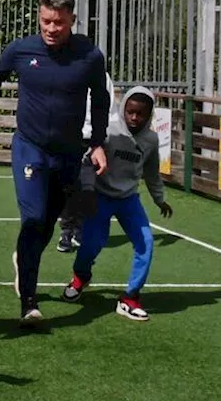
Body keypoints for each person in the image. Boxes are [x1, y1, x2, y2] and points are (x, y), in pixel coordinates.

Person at [0, 0, 110, 326]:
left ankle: (24, 257)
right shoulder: (22, 49)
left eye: (58, 22)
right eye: (45, 21)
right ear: (39, 17)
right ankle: (29, 303)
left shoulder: (89, 55)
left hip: (69, 154)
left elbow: (101, 100)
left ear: (72, 19)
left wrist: (99, 142)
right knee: (32, 219)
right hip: (30, 147)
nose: (51, 28)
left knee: (45, 224)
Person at [62, 86, 173, 321]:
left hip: (128, 199)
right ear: (123, 109)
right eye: (130, 112)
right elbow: (87, 161)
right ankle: (80, 277)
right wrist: (88, 190)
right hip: (100, 196)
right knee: (93, 243)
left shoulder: (151, 140)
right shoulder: (109, 132)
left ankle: (130, 298)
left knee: (146, 243)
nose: (134, 118)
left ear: (150, 114)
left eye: (140, 114)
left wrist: (160, 199)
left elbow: (152, 172)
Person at [57, 72, 115, 253]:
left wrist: (103, 140)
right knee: (67, 187)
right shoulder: (64, 71)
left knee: (89, 188)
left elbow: (110, 109)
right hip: (68, 137)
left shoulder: (102, 77)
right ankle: (66, 231)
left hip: (93, 141)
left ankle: (80, 230)